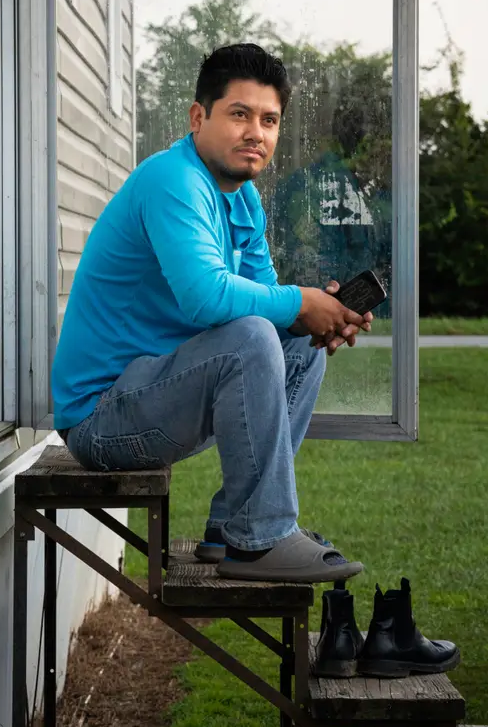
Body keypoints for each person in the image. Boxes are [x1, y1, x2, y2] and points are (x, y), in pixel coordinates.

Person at [51, 43, 372, 584]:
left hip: (155, 391)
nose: (257, 133)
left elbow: (268, 304)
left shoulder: (243, 199)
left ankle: (234, 528)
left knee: (297, 345)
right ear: (198, 117)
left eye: (270, 121)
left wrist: (323, 314)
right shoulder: (172, 181)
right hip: (98, 417)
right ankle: (262, 538)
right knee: (252, 336)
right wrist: (299, 301)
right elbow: (204, 297)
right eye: (240, 114)